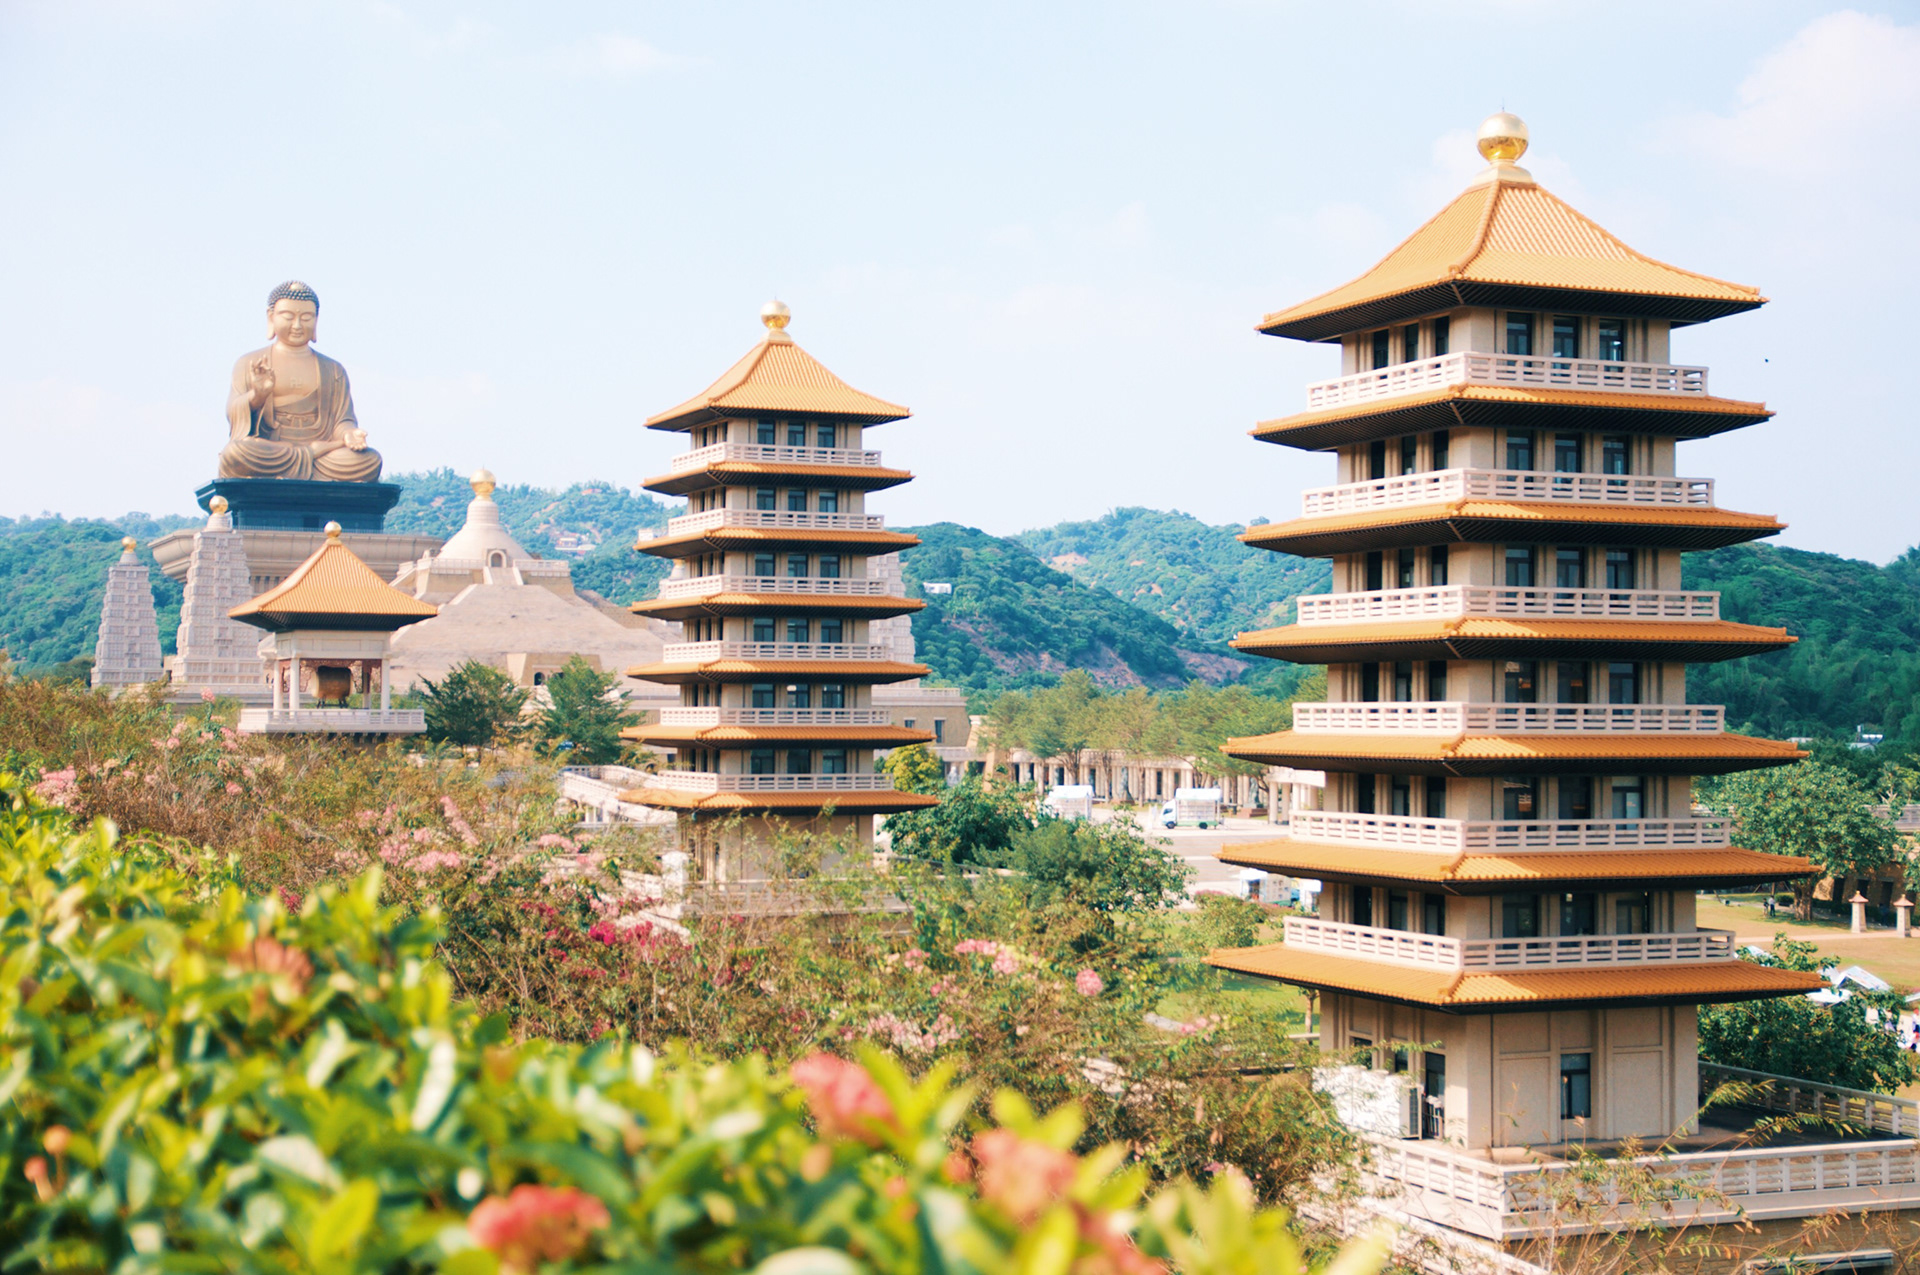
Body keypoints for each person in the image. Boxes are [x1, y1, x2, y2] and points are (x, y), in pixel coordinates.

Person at [218, 280, 382, 482]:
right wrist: (257, 395)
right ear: (271, 318)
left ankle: (307, 461)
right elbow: (234, 413)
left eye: (306, 318)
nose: (297, 325)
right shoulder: (250, 363)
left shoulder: (333, 370)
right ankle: (309, 459)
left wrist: (349, 434)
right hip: (272, 448)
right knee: (236, 453)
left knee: (370, 460)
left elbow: (343, 420)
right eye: (288, 317)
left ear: (316, 320)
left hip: (322, 455)